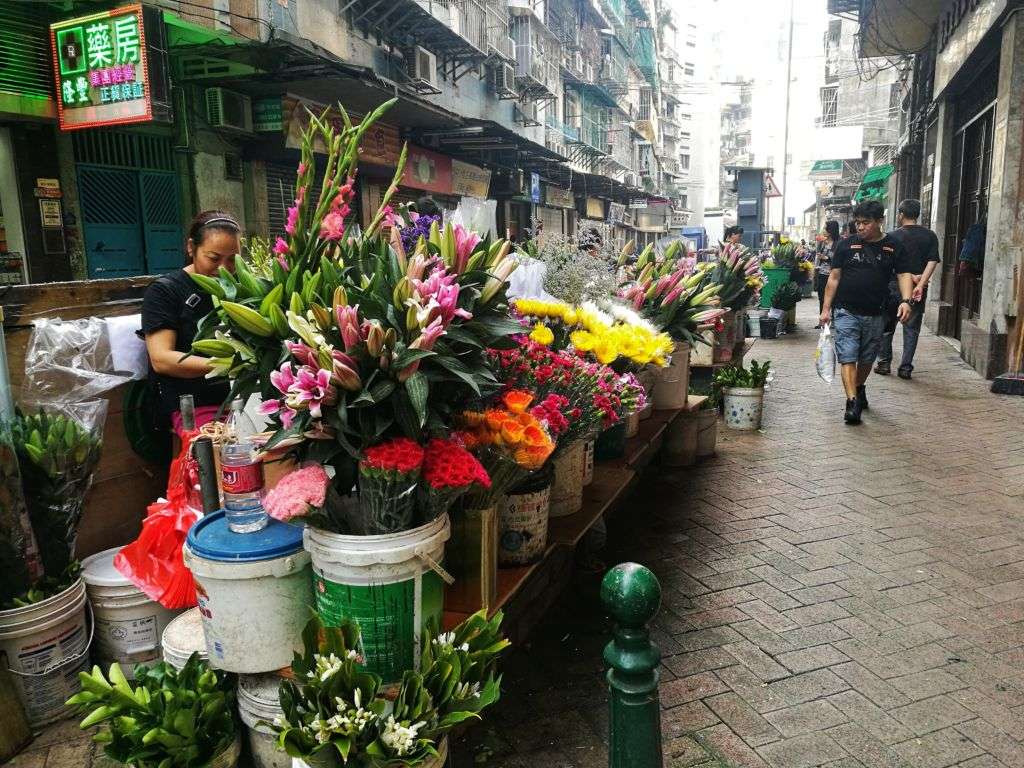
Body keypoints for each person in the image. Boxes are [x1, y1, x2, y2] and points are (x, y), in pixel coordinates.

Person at [141, 211, 240, 434]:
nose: (224, 268)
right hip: (192, 402)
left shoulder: (242, 288)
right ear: (190, 247)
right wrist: (230, 366)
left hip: (240, 397)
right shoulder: (165, 291)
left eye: (233, 259)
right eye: (213, 258)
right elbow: (161, 359)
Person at [819, 200, 914, 425]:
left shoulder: (893, 246)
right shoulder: (846, 245)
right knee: (848, 355)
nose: (860, 227)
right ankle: (852, 403)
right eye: (858, 223)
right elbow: (834, 278)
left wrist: (906, 301)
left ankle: (859, 387)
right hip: (846, 311)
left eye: (866, 223)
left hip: (876, 312)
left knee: (867, 358)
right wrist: (826, 309)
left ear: (879, 221)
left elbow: (903, 275)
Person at [875, 199, 940, 379]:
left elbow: (890, 265)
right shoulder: (930, 236)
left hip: (892, 287)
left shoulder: (892, 237)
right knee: (911, 329)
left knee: (886, 326)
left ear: (901, 214)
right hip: (916, 291)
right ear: (917, 214)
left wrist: (908, 275)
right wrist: (919, 283)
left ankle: (884, 363)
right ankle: (905, 368)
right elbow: (932, 261)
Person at [814, 221, 841, 326]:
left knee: (834, 298)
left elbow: (839, 259)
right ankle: (822, 321)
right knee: (821, 297)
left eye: (825, 228)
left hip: (833, 275)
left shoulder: (839, 243)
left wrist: (827, 258)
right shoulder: (822, 243)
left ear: (831, 230)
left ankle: (834, 320)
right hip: (822, 273)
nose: (824, 230)